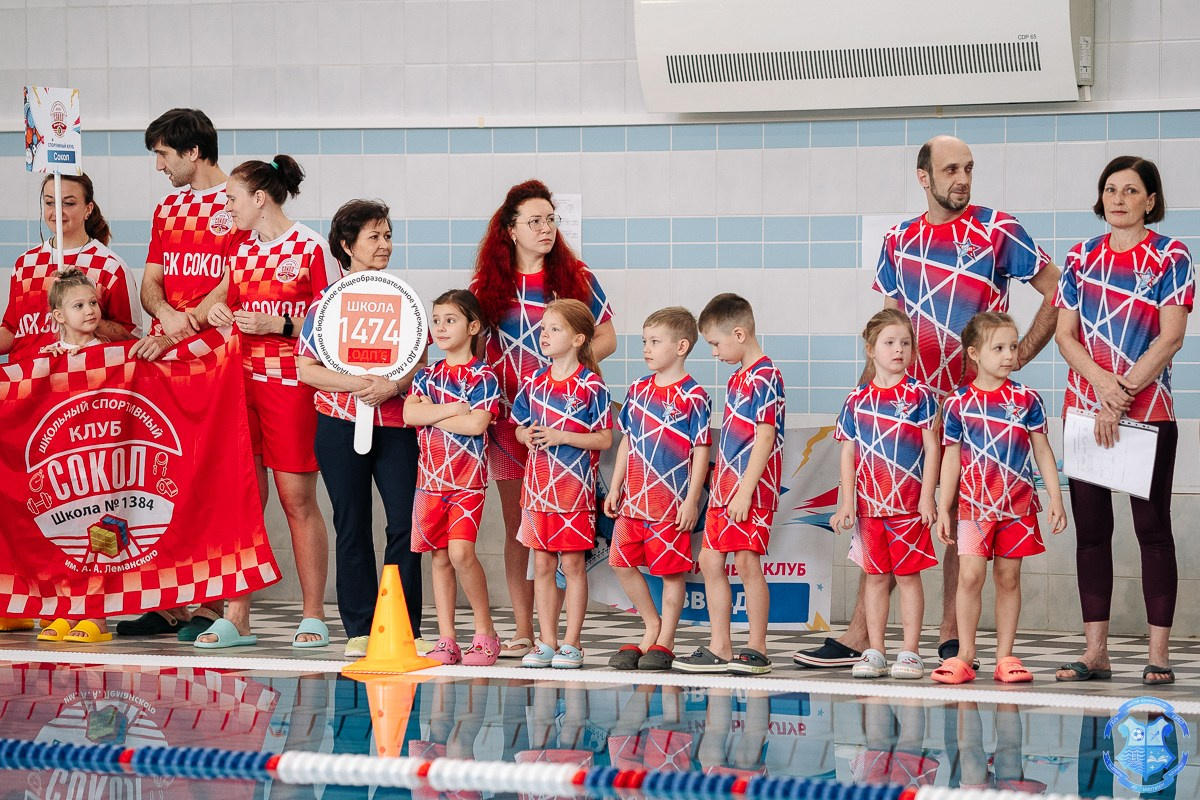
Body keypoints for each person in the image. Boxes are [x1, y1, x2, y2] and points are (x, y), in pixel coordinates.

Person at [794, 135, 1062, 670]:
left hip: (970, 408)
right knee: (890, 515)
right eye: (950, 169)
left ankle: (947, 635)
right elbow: (891, 321)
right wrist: (866, 394)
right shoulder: (900, 238)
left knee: (955, 521)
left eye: (969, 168)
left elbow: (1060, 289)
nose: (962, 178)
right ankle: (860, 635)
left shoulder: (997, 228)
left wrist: (1018, 356)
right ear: (925, 177)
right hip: (907, 406)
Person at [1052, 156, 1192, 686]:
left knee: (1152, 530)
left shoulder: (1171, 255)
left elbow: (1171, 336)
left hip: (1148, 410)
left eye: (1131, 190)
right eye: (1110, 189)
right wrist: (1101, 389)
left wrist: (1121, 393)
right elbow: (1066, 335)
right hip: (1085, 407)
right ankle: (1096, 653)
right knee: (1092, 534)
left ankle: (1158, 654)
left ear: (1150, 200)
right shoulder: (1082, 256)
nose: (1118, 199)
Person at [470, 179, 616, 658]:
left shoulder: (576, 276)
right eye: (535, 221)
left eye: (552, 219)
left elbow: (608, 338)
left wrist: (562, 373)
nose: (546, 228)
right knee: (522, 527)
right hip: (510, 425)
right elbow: (469, 351)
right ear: (510, 230)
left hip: (564, 425)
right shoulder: (487, 285)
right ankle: (525, 631)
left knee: (565, 537)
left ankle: (563, 639)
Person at [197, 155, 338, 649]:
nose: (226, 206)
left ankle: (313, 614)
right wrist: (220, 310)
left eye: (232, 198)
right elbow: (230, 303)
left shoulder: (310, 247)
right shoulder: (237, 247)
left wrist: (280, 327)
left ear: (260, 199)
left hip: (291, 387)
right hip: (241, 386)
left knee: (296, 499)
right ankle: (239, 617)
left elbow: (335, 327)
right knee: (243, 499)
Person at [120, 108, 249, 640]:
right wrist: (166, 315)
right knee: (166, 480)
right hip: (165, 362)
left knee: (217, 482)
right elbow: (150, 284)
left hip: (217, 363)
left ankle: (218, 606)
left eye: (163, 154)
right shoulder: (168, 207)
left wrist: (183, 325)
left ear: (193, 152)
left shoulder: (239, 202)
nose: (158, 166)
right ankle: (172, 601)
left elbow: (233, 281)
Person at [296, 199, 426, 659]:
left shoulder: (403, 299)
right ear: (346, 246)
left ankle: (404, 622)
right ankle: (359, 625)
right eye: (374, 236)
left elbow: (419, 363)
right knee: (350, 523)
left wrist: (393, 384)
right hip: (337, 424)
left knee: (404, 524)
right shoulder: (326, 305)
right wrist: (357, 384)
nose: (384, 244)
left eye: (388, 235)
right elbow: (306, 369)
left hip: (396, 427)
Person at [932, 312, 1067, 684]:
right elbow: (951, 457)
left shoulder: (1026, 399)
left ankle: (1005, 656)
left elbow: (1042, 451)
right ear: (974, 353)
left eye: (1012, 346)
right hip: (974, 507)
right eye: (999, 348)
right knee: (970, 577)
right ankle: (964, 654)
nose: (1009, 355)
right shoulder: (958, 402)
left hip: (1018, 506)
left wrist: (1055, 497)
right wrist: (944, 506)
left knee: (1008, 577)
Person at [674, 293, 784, 676]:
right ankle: (720, 645)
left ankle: (757, 647)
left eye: (716, 344)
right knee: (709, 560)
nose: (715, 353)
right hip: (727, 487)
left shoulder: (766, 375)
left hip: (750, 489)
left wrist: (746, 490)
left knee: (747, 562)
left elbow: (765, 437)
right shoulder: (740, 377)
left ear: (739, 333)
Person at [830, 309, 940, 680]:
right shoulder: (856, 400)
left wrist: (928, 497)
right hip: (870, 508)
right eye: (889, 343)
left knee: (908, 577)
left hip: (908, 506)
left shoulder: (920, 395)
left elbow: (933, 447)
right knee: (875, 578)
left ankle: (909, 651)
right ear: (870, 349)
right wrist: (848, 501)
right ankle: (875, 649)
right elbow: (848, 451)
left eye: (905, 343)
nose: (899, 350)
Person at [603, 307, 712, 672]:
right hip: (634, 501)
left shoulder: (694, 396)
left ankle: (666, 638)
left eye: (655, 342)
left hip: (670, 503)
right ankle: (651, 623)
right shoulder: (637, 390)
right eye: (644, 342)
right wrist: (615, 487)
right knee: (620, 561)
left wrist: (692, 499)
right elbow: (627, 442)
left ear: (681, 346)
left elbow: (700, 450)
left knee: (671, 573)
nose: (646, 349)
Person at [512, 299, 613, 669]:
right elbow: (519, 426)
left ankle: (573, 642)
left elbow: (604, 438)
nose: (545, 335)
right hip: (537, 491)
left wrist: (562, 436)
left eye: (554, 329)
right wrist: (526, 436)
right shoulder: (534, 381)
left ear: (577, 338)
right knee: (541, 566)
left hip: (573, 493)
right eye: (543, 329)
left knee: (571, 566)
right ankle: (546, 641)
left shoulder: (591, 385)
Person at [404, 290, 502, 666]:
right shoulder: (427, 375)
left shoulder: (483, 376)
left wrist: (435, 413)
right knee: (440, 557)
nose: (441, 328)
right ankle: (447, 637)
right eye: (437, 320)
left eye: (451, 320)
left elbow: (477, 424)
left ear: (473, 326)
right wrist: (452, 410)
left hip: (467, 483)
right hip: (429, 482)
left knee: (461, 552)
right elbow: (410, 416)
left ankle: (484, 629)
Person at [31, 270, 118, 643]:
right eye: (79, 305)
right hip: (65, 464)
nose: (90, 310)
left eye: (94, 303)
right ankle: (66, 610)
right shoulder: (47, 358)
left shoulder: (111, 353)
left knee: (99, 536)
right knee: (65, 537)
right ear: (58, 316)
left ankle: (96, 616)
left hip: (103, 463)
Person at [1, 173, 140, 360]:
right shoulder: (25, 264)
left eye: (68, 203)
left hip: (82, 381)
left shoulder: (110, 267)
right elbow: (12, 329)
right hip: (28, 381)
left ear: (88, 209)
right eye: (50, 203)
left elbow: (131, 337)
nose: (57, 212)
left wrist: (83, 317)